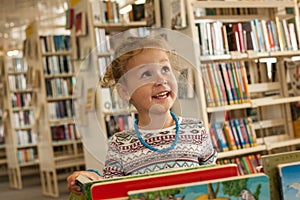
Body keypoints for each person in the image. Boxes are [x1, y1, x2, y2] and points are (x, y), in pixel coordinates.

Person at [67, 35, 218, 195]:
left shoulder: (196, 129)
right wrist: (90, 179)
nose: (161, 79)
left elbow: (217, 182)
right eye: (146, 74)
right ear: (125, 91)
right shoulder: (119, 144)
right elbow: (111, 189)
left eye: (165, 69)